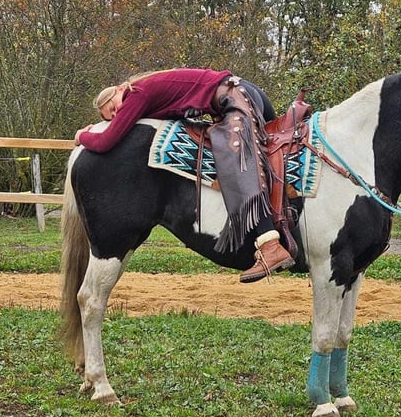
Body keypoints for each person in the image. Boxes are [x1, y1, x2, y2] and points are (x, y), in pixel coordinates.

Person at [73, 68, 295, 283]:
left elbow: (107, 141)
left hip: (234, 97)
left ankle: (269, 242)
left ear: (119, 89)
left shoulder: (135, 94)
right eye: (110, 116)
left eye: (113, 107)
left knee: (238, 161)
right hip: (243, 92)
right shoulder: (147, 90)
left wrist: (82, 136)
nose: (116, 115)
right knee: (268, 156)